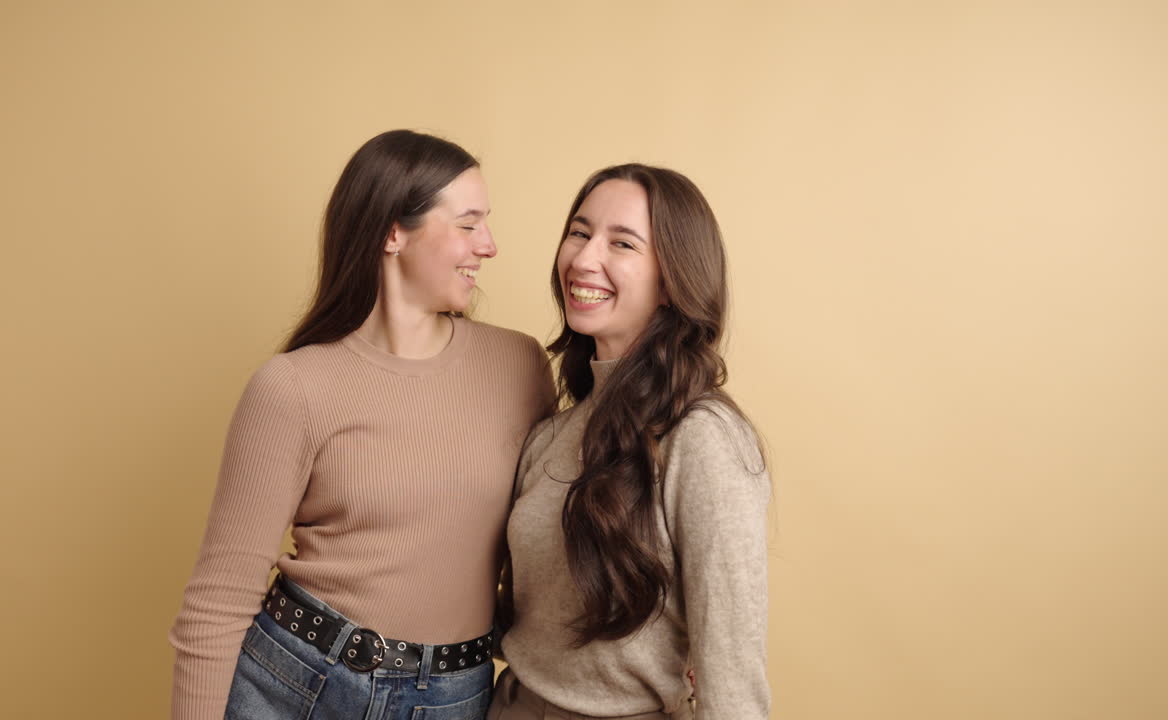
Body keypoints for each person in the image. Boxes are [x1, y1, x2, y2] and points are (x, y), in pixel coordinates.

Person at [169, 130, 553, 720]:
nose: (491, 245)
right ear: (392, 232)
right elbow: (219, 599)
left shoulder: (519, 366)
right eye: (469, 224)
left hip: (455, 695)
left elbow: (553, 542)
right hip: (299, 682)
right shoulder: (292, 387)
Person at [492, 165, 771, 719]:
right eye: (579, 232)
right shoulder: (552, 431)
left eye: (621, 242)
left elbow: (733, 669)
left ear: (673, 281)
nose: (583, 258)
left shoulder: (703, 437)